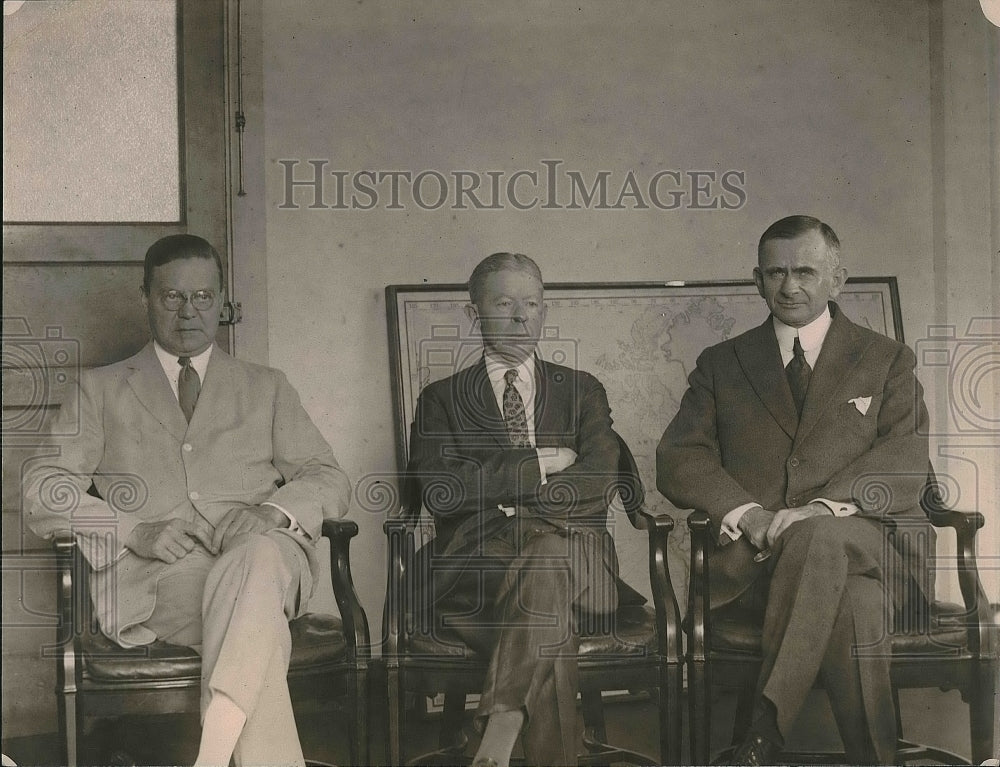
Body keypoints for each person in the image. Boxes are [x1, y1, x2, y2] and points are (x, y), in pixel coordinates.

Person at [23, 234, 351, 767]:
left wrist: (269, 513)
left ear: (221, 300)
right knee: (256, 620)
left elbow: (328, 476)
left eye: (202, 297)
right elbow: (42, 485)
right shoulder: (100, 390)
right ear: (145, 298)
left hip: (265, 559)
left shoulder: (267, 387)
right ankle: (221, 750)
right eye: (172, 296)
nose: (188, 311)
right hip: (165, 578)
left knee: (259, 553)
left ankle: (214, 751)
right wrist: (133, 530)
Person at [656, 215, 931, 765]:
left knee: (818, 536)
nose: (789, 286)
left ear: (838, 279)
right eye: (775, 272)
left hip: (874, 551)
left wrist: (819, 509)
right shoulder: (722, 363)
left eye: (805, 271)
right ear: (757, 280)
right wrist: (748, 512)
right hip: (759, 569)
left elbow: (906, 460)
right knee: (855, 603)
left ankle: (764, 727)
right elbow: (678, 457)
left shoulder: (887, 359)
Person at [407, 252, 624, 767]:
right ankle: (507, 726)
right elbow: (440, 488)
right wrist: (543, 462)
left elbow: (599, 480)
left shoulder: (582, 389)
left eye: (532, 304)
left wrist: (506, 500)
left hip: (581, 571)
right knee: (549, 611)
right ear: (474, 313)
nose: (521, 317)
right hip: (481, 573)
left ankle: (499, 729)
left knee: (547, 556)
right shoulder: (441, 399)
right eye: (505, 304)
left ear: (544, 311)